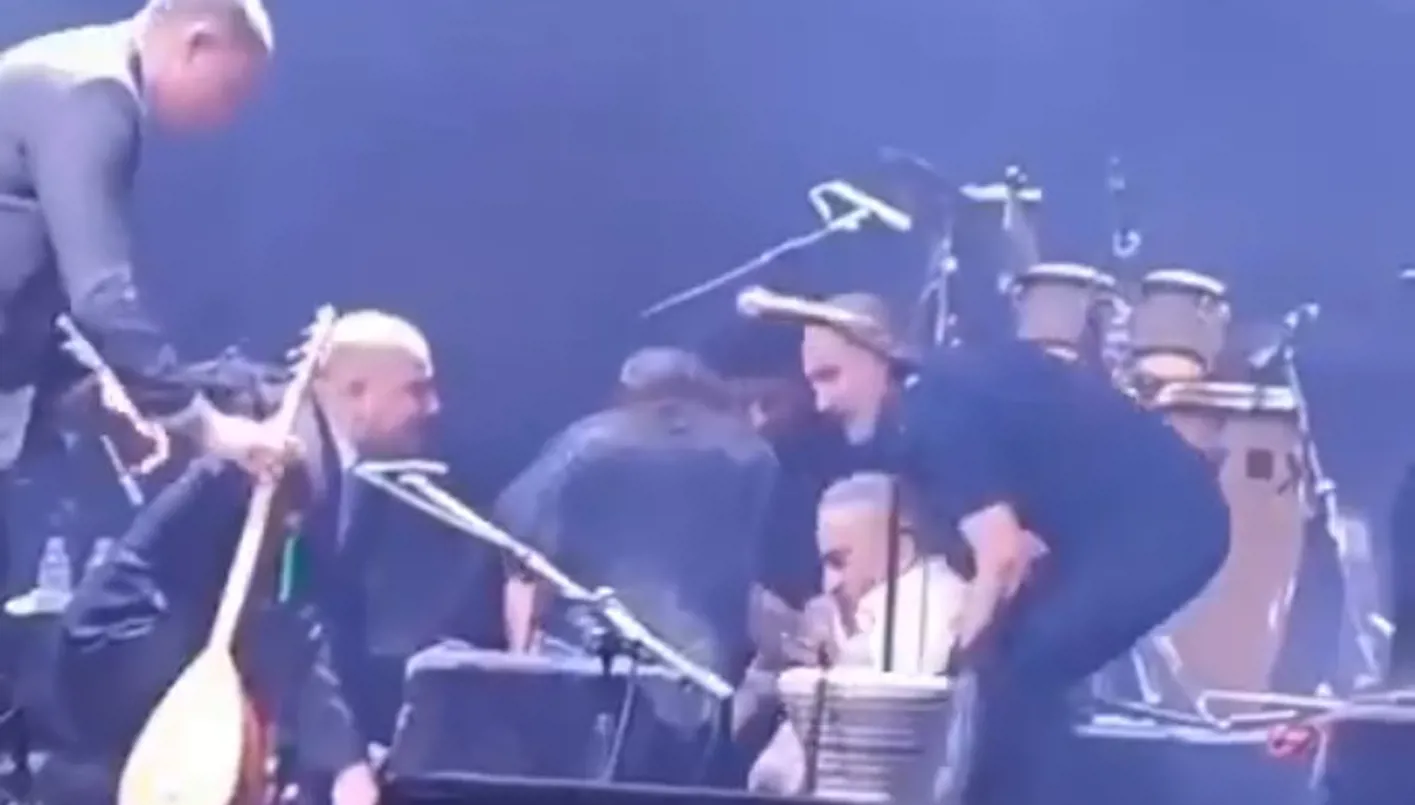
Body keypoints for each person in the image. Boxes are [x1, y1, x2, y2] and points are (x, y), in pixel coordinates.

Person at [799, 292, 1230, 805]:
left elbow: (1002, 557)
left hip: (1163, 528)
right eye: (812, 383)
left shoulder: (936, 416)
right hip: (1130, 522)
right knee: (1011, 666)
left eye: (831, 376)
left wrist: (943, 667)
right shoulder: (945, 386)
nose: (821, 402)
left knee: (1019, 672)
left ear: (878, 354)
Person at [39, 310, 443, 805]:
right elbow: (285, 618)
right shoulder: (287, 457)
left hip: (171, 646)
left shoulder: (322, 460)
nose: (433, 406)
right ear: (358, 392)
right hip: (130, 650)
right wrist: (345, 762)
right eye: (416, 389)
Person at [0, 0, 287, 584]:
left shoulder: (66, 71)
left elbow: (26, 278)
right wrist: (201, 422)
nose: (230, 116)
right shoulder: (93, 95)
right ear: (197, 44)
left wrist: (100, 387)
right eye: (231, 92)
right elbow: (102, 293)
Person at [496, 346, 777, 783]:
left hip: (595, 674)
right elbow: (768, 577)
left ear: (625, 395)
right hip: (700, 679)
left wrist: (524, 663)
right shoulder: (753, 456)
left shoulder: (585, 447)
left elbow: (524, 560)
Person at [746, 472, 967, 795]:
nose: (829, 585)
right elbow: (768, 774)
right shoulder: (853, 621)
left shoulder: (936, 601)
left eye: (839, 562)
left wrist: (835, 655)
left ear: (900, 549)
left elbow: (897, 693)